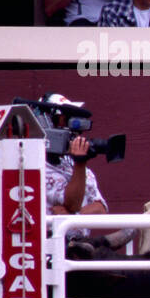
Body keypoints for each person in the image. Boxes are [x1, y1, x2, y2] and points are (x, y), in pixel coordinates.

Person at [42, 93, 108, 240]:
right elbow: (72, 203)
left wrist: (73, 218)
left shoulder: (75, 165)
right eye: (65, 120)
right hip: (48, 247)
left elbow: (100, 208)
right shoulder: (32, 165)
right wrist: (80, 163)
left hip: (79, 248)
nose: (73, 131)